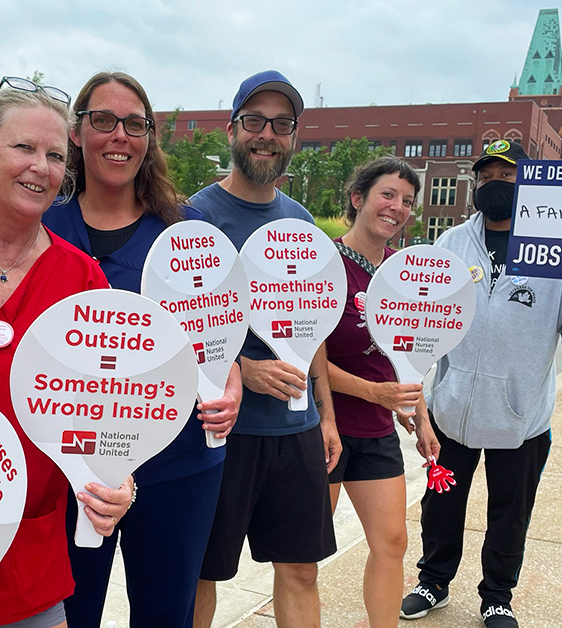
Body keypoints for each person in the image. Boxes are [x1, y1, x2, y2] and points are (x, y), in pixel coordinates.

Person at [0, 77, 133, 628]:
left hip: (26, 545)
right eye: (24, 148)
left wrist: (117, 476)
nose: (41, 166)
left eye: (56, 155)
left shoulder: (81, 278)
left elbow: (106, 403)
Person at [42, 71, 243, 628]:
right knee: (69, 614)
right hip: (75, 465)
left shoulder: (186, 229)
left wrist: (232, 380)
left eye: (135, 124)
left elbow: (220, 327)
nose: (119, 136)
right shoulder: (42, 229)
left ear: (150, 138)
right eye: (102, 120)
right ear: (77, 132)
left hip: (178, 460)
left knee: (165, 615)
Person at [399, 139, 562, 628]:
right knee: (441, 504)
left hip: (521, 416)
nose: (496, 184)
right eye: (488, 176)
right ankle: (433, 582)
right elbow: (424, 317)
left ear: (530, 184)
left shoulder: (556, 251)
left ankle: (497, 596)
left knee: (511, 511)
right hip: (451, 411)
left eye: (508, 176)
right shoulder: (450, 245)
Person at [191, 70, 340, 628]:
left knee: (302, 572)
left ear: (294, 138)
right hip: (221, 433)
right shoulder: (194, 219)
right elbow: (173, 329)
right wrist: (244, 369)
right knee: (201, 574)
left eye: (282, 124)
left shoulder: (299, 221)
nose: (267, 134)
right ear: (232, 130)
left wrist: (326, 414)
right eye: (254, 121)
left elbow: (314, 323)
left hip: (295, 431)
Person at [325, 156, 440, 628]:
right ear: (358, 200)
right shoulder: (321, 264)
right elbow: (302, 359)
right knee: (304, 555)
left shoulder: (404, 273)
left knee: (392, 542)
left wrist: (423, 418)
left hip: (375, 432)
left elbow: (406, 358)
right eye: (387, 195)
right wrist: (374, 393)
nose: (397, 207)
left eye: (407, 201)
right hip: (323, 428)